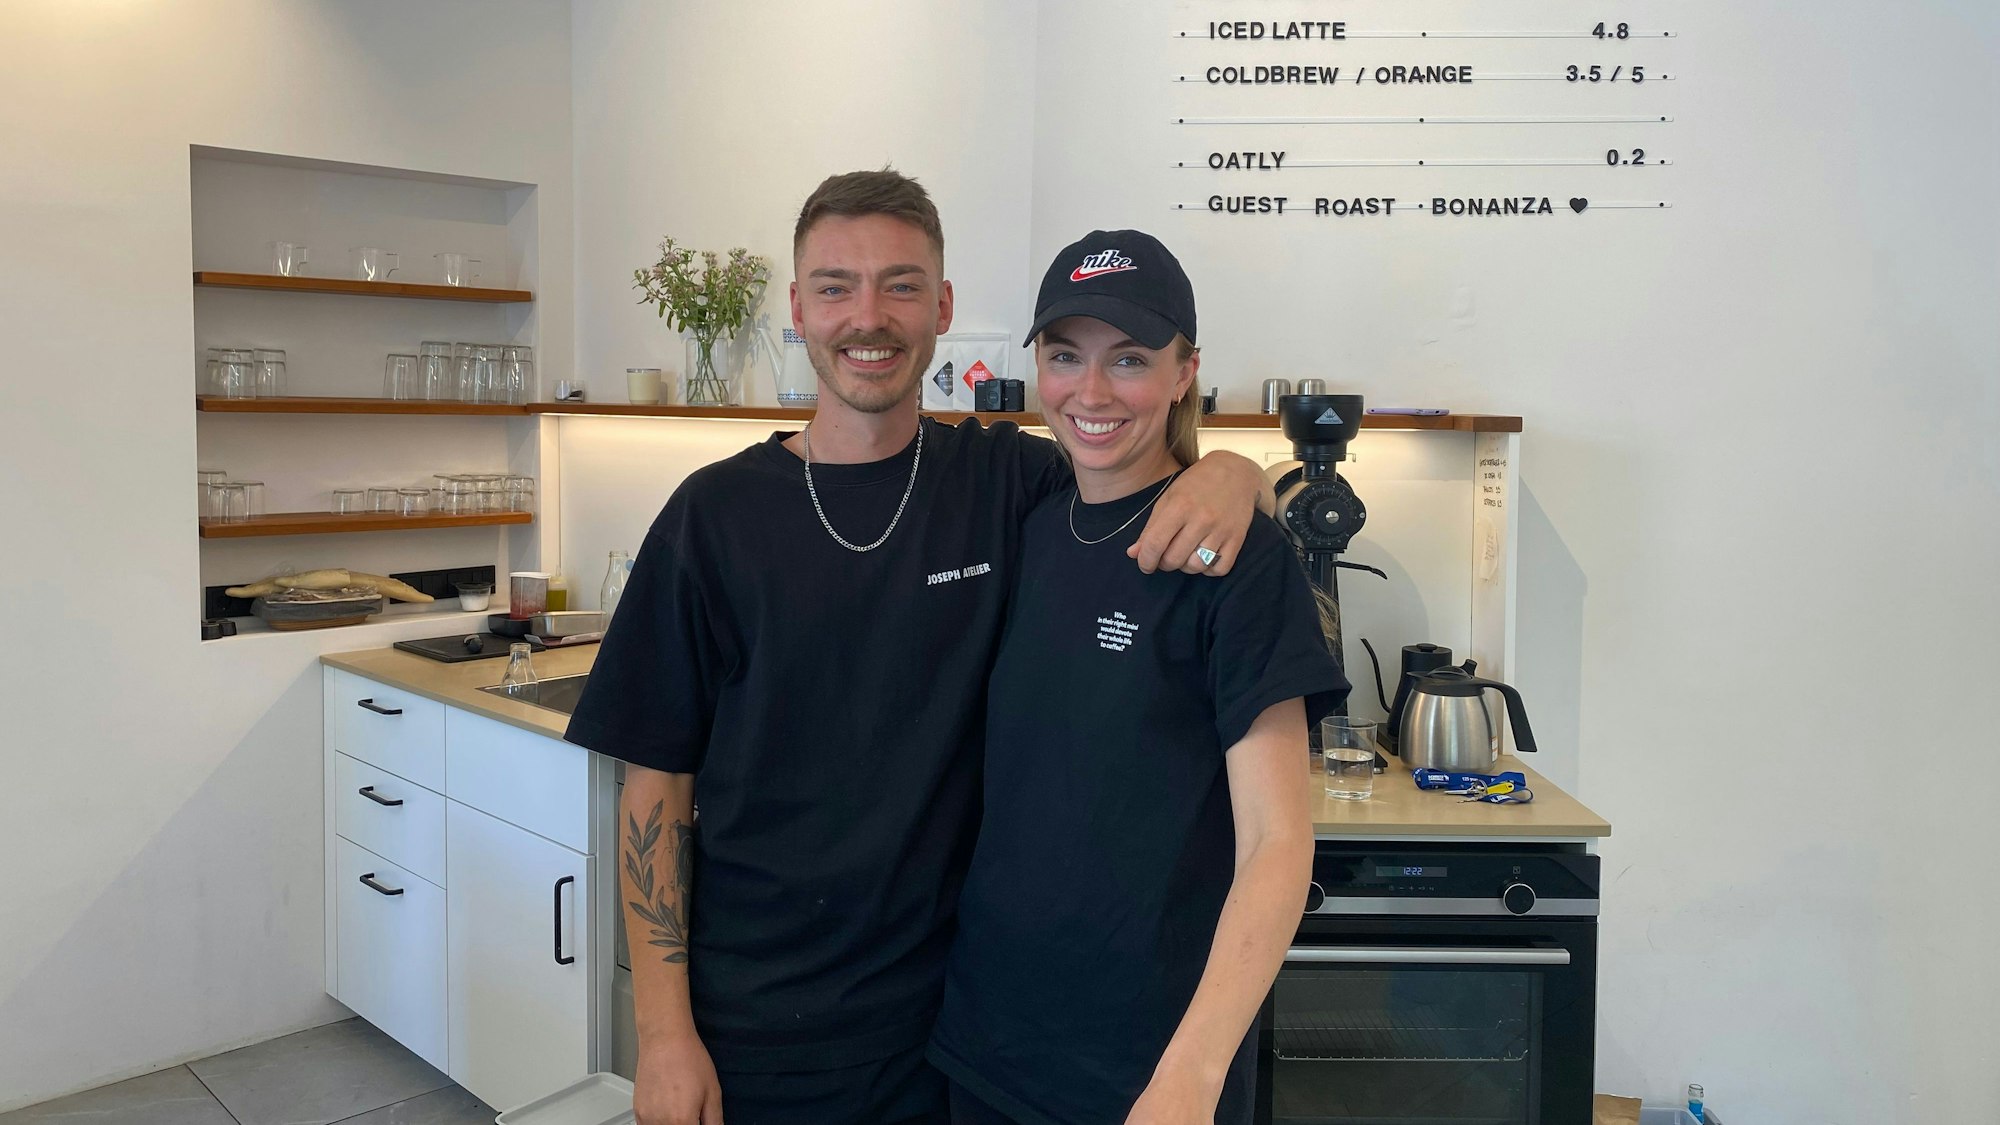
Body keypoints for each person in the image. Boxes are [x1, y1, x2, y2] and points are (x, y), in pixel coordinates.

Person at [563, 173, 1275, 1125]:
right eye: (835, 286)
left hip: (944, 1034)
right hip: (755, 1033)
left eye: (900, 285)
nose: (869, 316)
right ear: (797, 310)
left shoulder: (1006, 481)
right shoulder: (713, 516)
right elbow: (654, 786)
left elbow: (1136, 469)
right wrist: (662, 1036)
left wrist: (1240, 471)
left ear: (940, 308)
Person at [927, 230, 1349, 1125]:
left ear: (1185, 369)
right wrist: (1244, 469)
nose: (1091, 391)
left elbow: (1279, 843)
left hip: (1147, 1071)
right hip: (988, 1043)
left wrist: (1191, 1077)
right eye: (1066, 356)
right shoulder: (1031, 514)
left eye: (1129, 359)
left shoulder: (1236, 557)